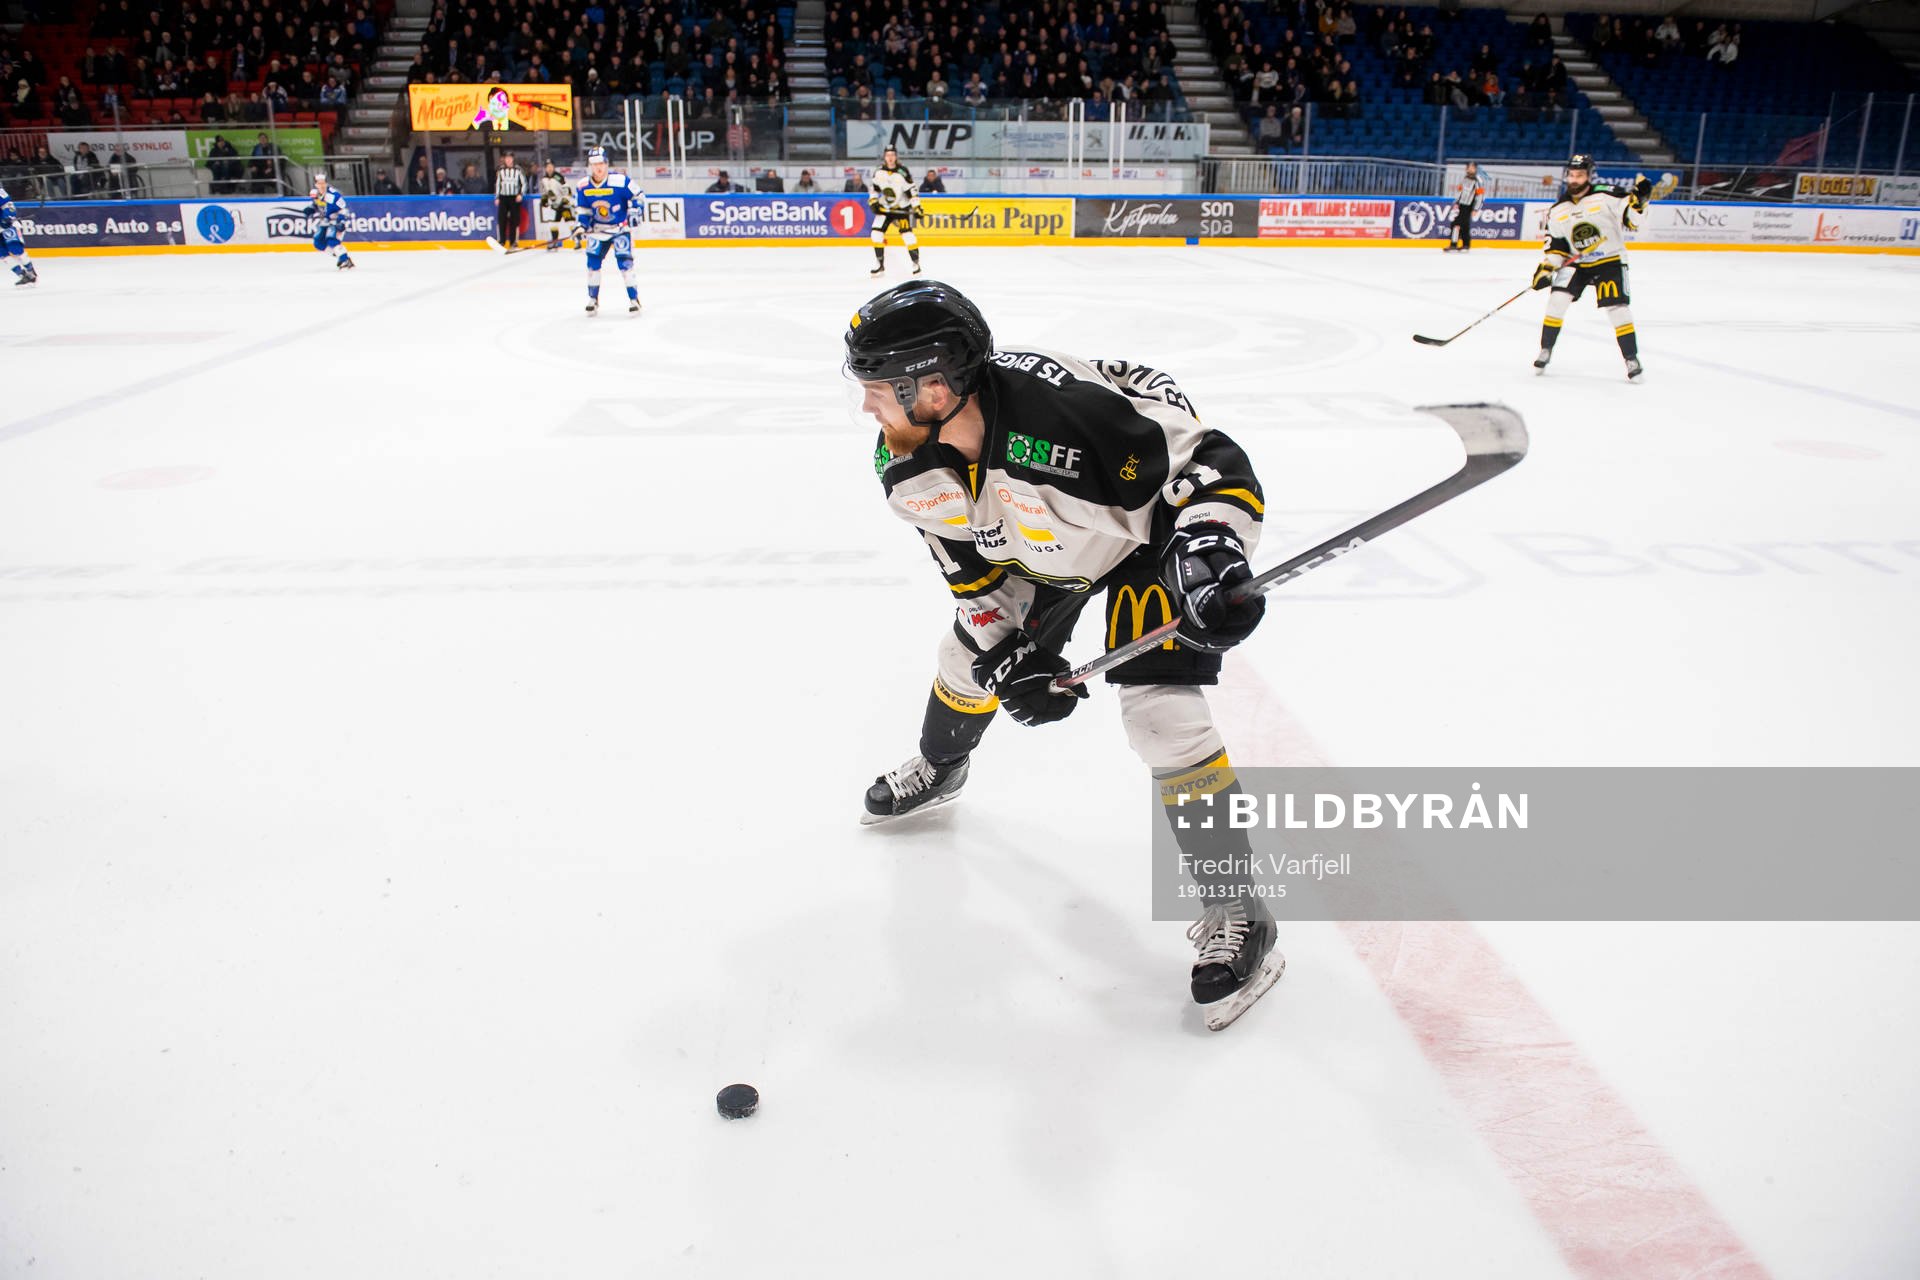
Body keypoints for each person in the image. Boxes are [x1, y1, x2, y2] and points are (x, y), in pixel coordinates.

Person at [845, 281, 1280, 1012]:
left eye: (879, 390)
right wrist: (1011, 662)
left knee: (1161, 717)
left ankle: (1241, 908)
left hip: (1142, 538)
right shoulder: (905, 467)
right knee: (964, 662)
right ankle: (942, 767)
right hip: (1040, 546)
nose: (867, 408)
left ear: (935, 388)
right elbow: (971, 579)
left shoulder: (1070, 422)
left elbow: (1209, 465)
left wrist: (1210, 548)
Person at [1530, 154, 1652, 380]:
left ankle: (1631, 358)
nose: (1574, 179)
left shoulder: (1608, 194)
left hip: (1609, 260)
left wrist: (1640, 203)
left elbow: (1633, 221)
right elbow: (1556, 248)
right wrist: (1546, 269)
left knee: (1617, 309)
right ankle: (1545, 349)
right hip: (1577, 263)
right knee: (1557, 300)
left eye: (1580, 175)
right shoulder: (1558, 209)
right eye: (1571, 175)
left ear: (1589, 176)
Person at [575, 146, 640, 315]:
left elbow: (638, 196)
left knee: (625, 264)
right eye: (594, 164)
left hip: (619, 229)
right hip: (597, 231)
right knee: (592, 265)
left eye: (601, 163)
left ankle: (634, 300)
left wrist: (635, 211)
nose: (598, 167)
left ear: (606, 163)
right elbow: (583, 210)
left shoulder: (620, 181)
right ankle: (593, 299)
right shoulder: (583, 186)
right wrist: (582, 225)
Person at [866, 145, 921, 276]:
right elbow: (874, 189)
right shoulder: (879, 171)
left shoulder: (903, 172)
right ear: (884, 157)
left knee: (908, 236)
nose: (890, 158)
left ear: (896, 156)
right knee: (876, 234)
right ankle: (880, 264)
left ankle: (916, 264)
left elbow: (912, 191)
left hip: (901, 208)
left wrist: (917, 206)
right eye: (888, 155)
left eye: (892, 155)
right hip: (885, 208)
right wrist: (873, 200)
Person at [309, 172, 354, 269]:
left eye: (323, 183)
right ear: (316, 184)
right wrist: (311, 209)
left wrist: (342, 221)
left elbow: (343, 209)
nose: (321, 185)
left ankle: (345, 259)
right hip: (325, 222)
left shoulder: (334, 195)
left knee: (332, 240)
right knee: (318, 242)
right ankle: (341, 256)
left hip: (336, 221)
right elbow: (317, 206)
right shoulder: (314, 194)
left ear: (326, 183)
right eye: (319, 183)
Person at [1, 182, 40, 287]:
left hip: (7, 226)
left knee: (16, 250)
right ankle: (22, 275)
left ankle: (31, 272)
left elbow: (9, 206)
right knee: (2, 254)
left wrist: (8, 216)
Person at [539, 158, 580, 250]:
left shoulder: (559, 177)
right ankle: (555, 242)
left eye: (551, 166)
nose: (549, 168)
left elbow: (567, 188)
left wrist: (565, 199)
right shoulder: (544, 179)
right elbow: (545, 191)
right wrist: (544, 200)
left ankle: (577, 241)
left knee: (570, 223)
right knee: (552, 224)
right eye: (547, 167)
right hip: (554, 206)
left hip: (564, 204)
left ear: (554, 167)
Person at [1444, 161, 1483, 251]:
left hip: (1469, 206)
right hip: (1462, 205)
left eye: (1472, 168)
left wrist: (1476, 209)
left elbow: (1480, 196)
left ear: (1475, 169)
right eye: (1469, 167)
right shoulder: (1464, 179)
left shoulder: (1478, 181)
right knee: (1465, 225)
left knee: (1455, 224)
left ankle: (1453, 244)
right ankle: (1466, 244)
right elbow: (1460, 192)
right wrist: (1456, 202)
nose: (1470, 169)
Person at [493, 150, 526, 248]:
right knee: (502, 219)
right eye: (506, 158)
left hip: (514, 198)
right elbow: (498, 184)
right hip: (503, 197)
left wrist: (521, 194)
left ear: (513, 159)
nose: (508, 160)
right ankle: (502, 241)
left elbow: (524, 183)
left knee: (514, 220)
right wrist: (497, 197)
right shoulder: (501, 170)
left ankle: (513, 241)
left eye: (510, 158)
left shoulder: (518, 170)